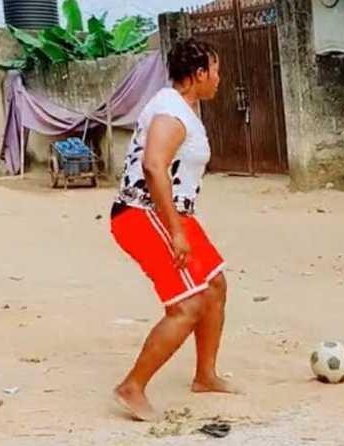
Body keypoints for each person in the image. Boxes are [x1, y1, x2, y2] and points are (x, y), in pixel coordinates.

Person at [110, 38, 236, 421]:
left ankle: (205, 375)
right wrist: (175, 230)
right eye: (215, 70)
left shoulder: (182, 108)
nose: (219, 78)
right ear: (198, 74)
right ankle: (132, 387)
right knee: (187, 304)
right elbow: (153, 166)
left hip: (173, 213)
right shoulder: (170, 112)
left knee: (214, 285)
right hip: (142, 213)